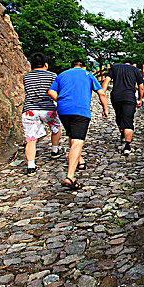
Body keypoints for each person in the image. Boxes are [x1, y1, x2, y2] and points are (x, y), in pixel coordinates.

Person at [48, 59, 109, 190]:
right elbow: (101, 92)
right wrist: (105, 109)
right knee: (77, 142)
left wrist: (60, 99)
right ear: (84, 67)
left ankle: (80, 161)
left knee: (72, 134)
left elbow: (51, 92)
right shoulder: (88, 75)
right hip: (80, 110)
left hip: (63, 110)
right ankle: (70, 176)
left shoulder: (62, 75)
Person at [21, 52, 63, 176]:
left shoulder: (26, 77)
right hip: (47, 108)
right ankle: (55, 150)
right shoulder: (52, 76)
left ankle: (31, 165)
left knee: (31, 138)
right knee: (56, 127)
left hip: (30, 110)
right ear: (46, 64)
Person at [101, 59, 144, 155]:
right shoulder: (135, 70)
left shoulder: (114, 68)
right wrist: (140, 98)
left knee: (119, 115)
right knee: (128, 119)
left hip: (116, 97)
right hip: (129, 97)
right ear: (131, 64)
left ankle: (122, 133)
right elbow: (141, 87)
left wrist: (102, 95)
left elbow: (106, 82)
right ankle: (127, 146)